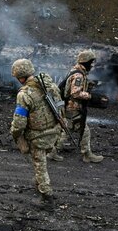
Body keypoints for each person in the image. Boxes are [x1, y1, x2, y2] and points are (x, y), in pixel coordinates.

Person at [10, 58, 61, 212]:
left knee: (40, 165)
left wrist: (15, 134)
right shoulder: (49, 85)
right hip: (54, 131)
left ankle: (46, 197)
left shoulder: (25, 94)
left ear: (20, 77)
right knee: (41, 161)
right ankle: (39, 184)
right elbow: (60, 106)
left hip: (38, 136)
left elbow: (19, 121)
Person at [48, 50, 104, 163]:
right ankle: (87, 154)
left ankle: (53, 152)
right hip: (73, 107)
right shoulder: (79, 75)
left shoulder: (75, 71)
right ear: (86, 62)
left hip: (69, 107)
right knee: (83, 130)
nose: (92, 65)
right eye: (91, 62)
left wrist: (88, 85)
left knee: (69, 129)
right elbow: (75, 93)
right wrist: (90, 96)